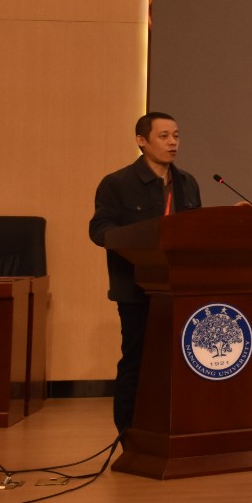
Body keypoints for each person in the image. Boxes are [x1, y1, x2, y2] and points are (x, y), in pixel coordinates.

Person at [88, 111, 202, 436]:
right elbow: (100, 230)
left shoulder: (187, 183)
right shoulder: (117, 183)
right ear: (142, 141)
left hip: (180, 288)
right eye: (164, 136)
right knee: (136, 362)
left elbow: (194, 230)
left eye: (176, 136)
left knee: (180, 362)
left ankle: (175, 429)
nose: (172, 142)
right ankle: (130, 434)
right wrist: (139, 239)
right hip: (137, 289)